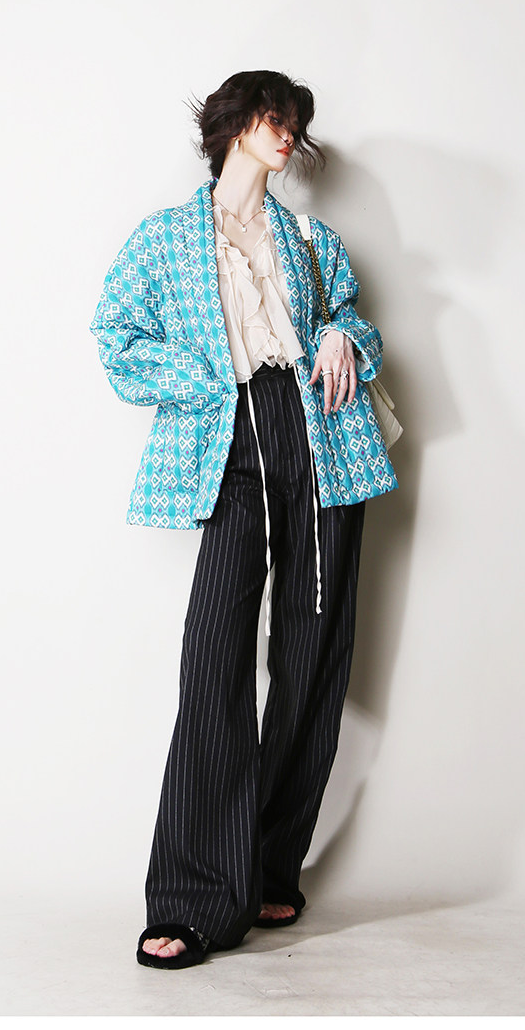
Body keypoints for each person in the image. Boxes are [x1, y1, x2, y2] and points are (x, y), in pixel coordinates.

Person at [89, 70, 398, 969]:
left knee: (312, 656)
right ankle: (192, 896)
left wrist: (344, 336)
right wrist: (202, 377)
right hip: (230, 436)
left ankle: (267, 866)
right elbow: (115, 335)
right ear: (233, 124)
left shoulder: (310, 238)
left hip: (324, 439)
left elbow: (356, 322)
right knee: (215, 658)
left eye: (294, 122)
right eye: (273, 116)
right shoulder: (164, 239)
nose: (287, 132)